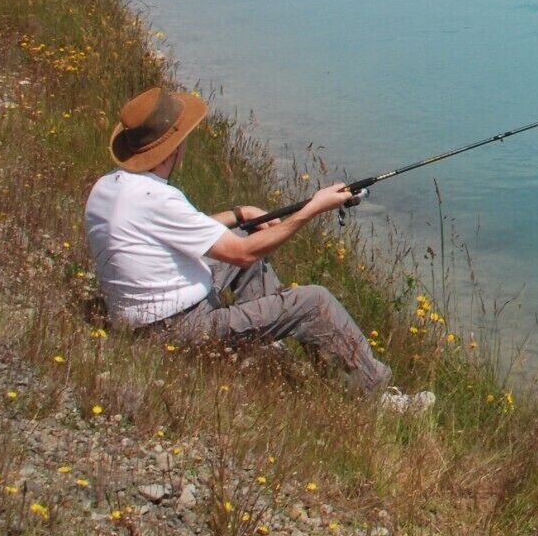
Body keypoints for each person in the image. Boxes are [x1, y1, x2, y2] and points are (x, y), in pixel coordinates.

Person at [84, 84, 430, 413]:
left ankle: (267, 345)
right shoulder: (158, 198)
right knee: (314, 301)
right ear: (174, 148)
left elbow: (181, 228)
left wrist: (241, 214)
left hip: (142, 322)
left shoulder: (108, 187)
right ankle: (374, 398)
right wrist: (313, 208)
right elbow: (242, 253)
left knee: (252, 265)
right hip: (177, 331)